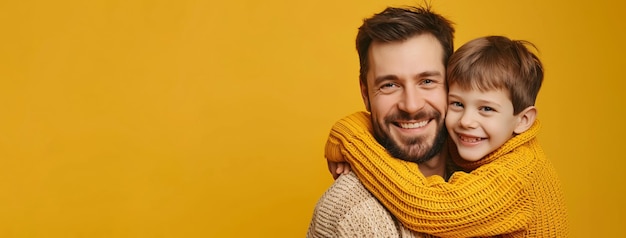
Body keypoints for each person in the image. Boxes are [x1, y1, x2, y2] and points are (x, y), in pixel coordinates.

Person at [323, 36, 568, 237]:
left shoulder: (517, 177)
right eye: (457, 104)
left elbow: (429, 207)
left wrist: (350, 137)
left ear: (522, 120)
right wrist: (354, 123)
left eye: (487, 109)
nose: (466, 121)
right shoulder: (480, 145)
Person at [307, 5, 456, 237]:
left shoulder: (492, 173)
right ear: (366, 94)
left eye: (427, 81)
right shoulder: (354, 213)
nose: (411, 105)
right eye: (389, 85)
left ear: (454, 85)